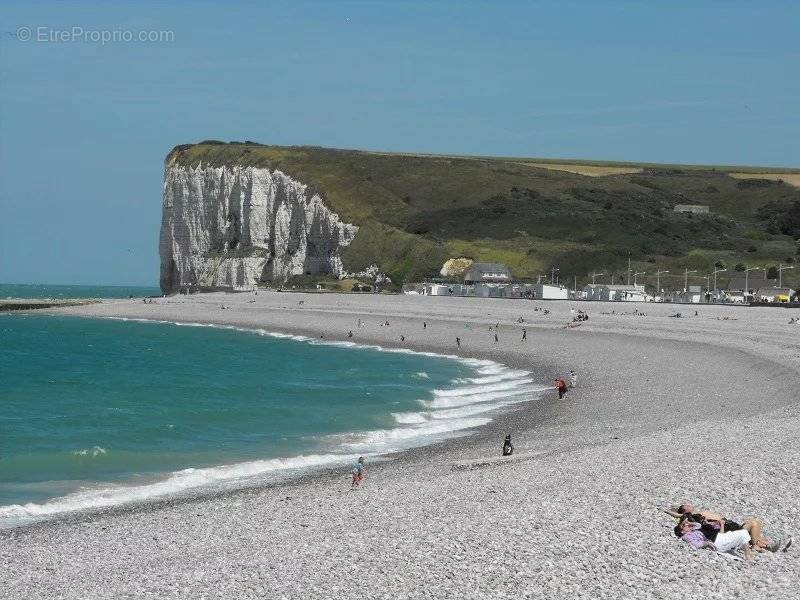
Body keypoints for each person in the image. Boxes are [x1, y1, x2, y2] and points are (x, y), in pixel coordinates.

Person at [664, 504, 788, 553]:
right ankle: (758, 546)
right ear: (685, 510)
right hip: (728, 532)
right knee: (754, 523)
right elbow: (679, 516)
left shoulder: (699, 513)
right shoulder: (690, 517)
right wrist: (666, 510)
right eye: (687, 505)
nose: (690, 505)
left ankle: (767, 546)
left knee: (756, 530)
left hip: (731, 526)